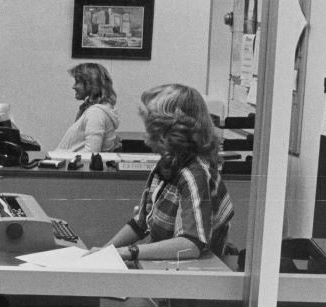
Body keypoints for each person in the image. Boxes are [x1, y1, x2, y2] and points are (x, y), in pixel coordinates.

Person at [98, 83, 234, 261]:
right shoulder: (165, 166)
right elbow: (140, 224)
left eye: (150, 129)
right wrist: (104, 252)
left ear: (169, 132)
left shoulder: (194, 174)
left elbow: (191, 245)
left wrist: (128, 252)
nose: (145, 138)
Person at [54, 62, 121, 153]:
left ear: (91, 84)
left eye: (77, 82)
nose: (73, 86)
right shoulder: (95, 110)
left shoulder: (96, 113)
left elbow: (91, 153)